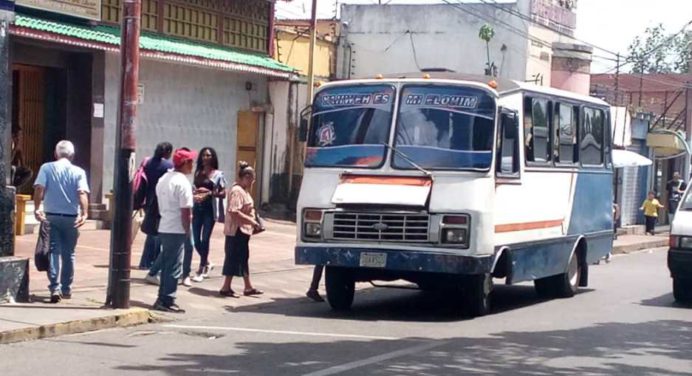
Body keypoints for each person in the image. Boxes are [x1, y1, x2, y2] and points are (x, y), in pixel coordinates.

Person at [32, 140, 90, 303]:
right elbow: (82, 193)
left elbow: (39, 189)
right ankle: (66, 288)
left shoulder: (46, 168)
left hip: (51, 216)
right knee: (69, 253)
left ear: (56, 154)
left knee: (54, 251)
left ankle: (54, 287)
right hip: (71, 217)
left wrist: (37, 207)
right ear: (72, 155)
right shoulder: (79, 171)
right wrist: (85, 213)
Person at [152, 147, 195, 313]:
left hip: (165, 225)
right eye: (190, 161)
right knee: (174, 267)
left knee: (166, 264)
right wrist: (187, 230)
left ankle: (162, 297)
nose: (192, 165)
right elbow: (186, 212)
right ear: (184, 163)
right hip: (176, 228)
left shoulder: (164, 178)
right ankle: (167, 299)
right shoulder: (182, 182)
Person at [219, 162, 263, 297]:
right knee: (232, 258)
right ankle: (226, 287)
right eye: (252, 179)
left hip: (243, 230)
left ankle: (248, 287)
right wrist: (252, 221)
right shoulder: (237, 191)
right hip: (236, 230)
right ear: (247, 177)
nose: (252, 182)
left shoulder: (244, 191)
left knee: (242, 258)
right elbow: (234, 211)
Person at [190, 147, 227, 282]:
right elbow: (194, 188)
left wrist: (209, 193)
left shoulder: (218, 174)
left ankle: (201, 268)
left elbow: (223, 193)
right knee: (195, 240)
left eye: (209, 155)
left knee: (205, 239)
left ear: (213, 157)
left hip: (209, 210)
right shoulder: (198, 172)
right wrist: (195, 193)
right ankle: (207, 262)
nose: (206, 157)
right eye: (204, 155)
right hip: (197, 208)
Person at [138, 142, 173, 272]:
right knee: (158, 233)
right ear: (167, 152)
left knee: (151, 232)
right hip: (161, 201)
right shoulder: (168, 166)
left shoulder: (148, 163)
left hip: (149, 199)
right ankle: (152, 261)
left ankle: (145, 261)